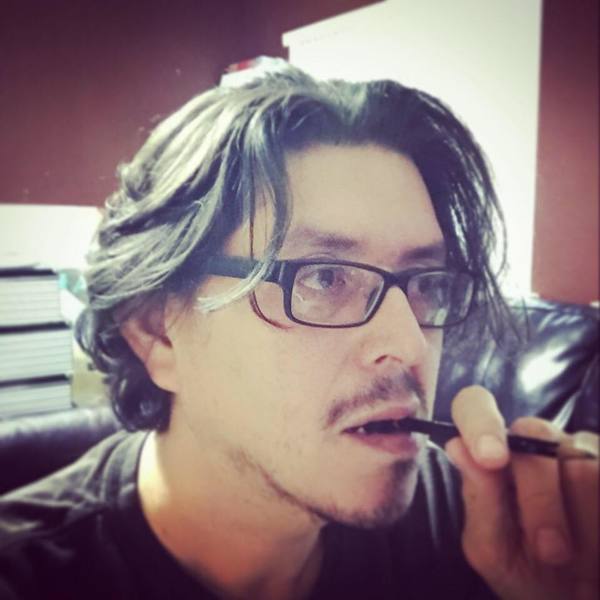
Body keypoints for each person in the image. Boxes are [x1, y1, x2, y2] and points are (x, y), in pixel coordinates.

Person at [0, 65, 597, 600]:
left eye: (427, 284)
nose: (410, 344)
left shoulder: (476, 528)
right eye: (325, 278)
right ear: (158, 332)